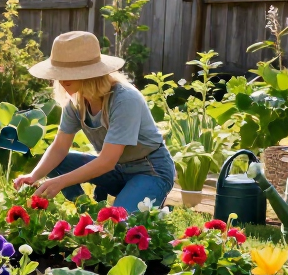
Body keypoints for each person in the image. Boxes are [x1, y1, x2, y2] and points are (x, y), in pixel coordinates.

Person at [13, 31, 175, 213]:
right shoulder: (77, 102)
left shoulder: (125, 100)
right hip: (115, 170)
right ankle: (85, 209)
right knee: (59, 162)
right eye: (58, 72)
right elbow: (59, 148)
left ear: (90, 74)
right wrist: (33, 176)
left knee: (120, 225)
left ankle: (148, 204)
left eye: (68, 73)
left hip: (149, 170)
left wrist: (61, 181)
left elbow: (106, 161)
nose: (60, 79)